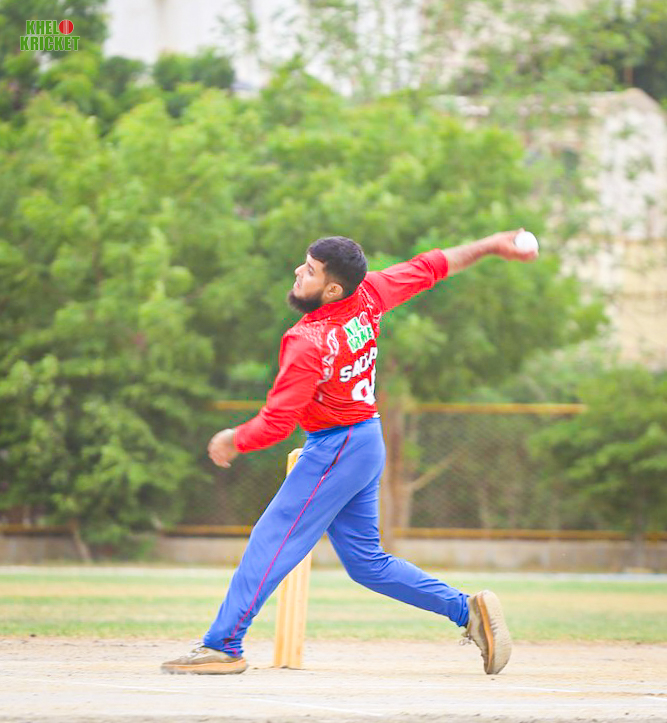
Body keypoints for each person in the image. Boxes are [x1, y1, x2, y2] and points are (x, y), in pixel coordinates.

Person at [162, 230, 537, 677]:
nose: (298, 272)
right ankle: (467, 610)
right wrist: (491, 244)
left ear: (332, 289)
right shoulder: (369, 294)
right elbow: (433, 265)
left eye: (310, 271)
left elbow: (277, 423)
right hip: (364, 439)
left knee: (272, 539)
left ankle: (223, 645)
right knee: (366, 564)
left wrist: (233, 439)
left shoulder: (309, 340)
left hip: (336, 447)